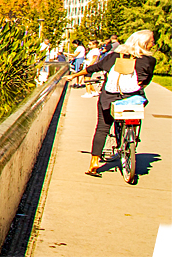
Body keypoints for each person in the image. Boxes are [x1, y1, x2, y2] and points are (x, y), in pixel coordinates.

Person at [66, 29, 156, 176]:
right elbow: (145, 80)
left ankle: (94, 163)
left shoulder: (115, 56)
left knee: (102, 127)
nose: (153, 44)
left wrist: (75, 75)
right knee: (134, 113)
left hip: (110, 97)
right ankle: (131, 134)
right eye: (152, 42)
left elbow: (95, 68)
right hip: (132, 98)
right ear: (145, 44)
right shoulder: (149, 60)